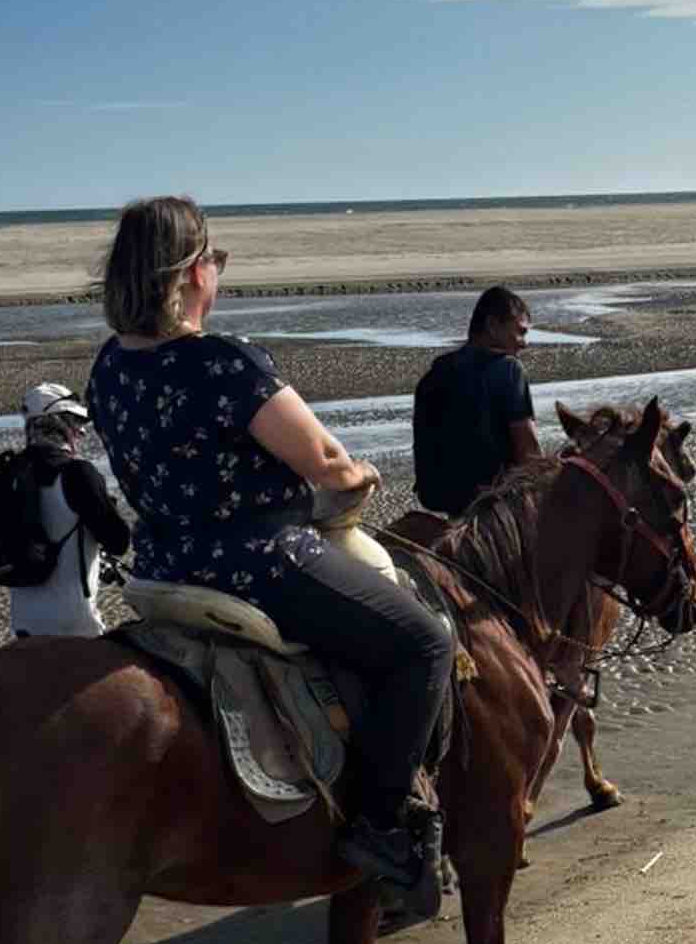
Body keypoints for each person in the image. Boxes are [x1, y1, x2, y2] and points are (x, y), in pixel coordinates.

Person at [86, 196, 452, 908]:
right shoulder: (223, 363)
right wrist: (359, 478)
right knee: (425, 643)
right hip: (260, 562)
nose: (216, 274)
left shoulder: (107, 367)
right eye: (215, 261)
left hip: (163, 569)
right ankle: (380, 825)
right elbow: (325, 462)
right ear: (194, 272)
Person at [7, 383, 131, 640]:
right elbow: (119, 542)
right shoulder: (78, 474)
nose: (83, 431)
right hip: (75, 622)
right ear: (59, 423)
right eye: (76, 421)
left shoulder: (9, 474)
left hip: (22, 620)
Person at [412, 285, 540, 516]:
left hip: (441, 499)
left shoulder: (437, 372)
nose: (524, 342)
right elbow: (529, 451)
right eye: (520, 332)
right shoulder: (509, 370)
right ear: (492, 326)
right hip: (493, 502)